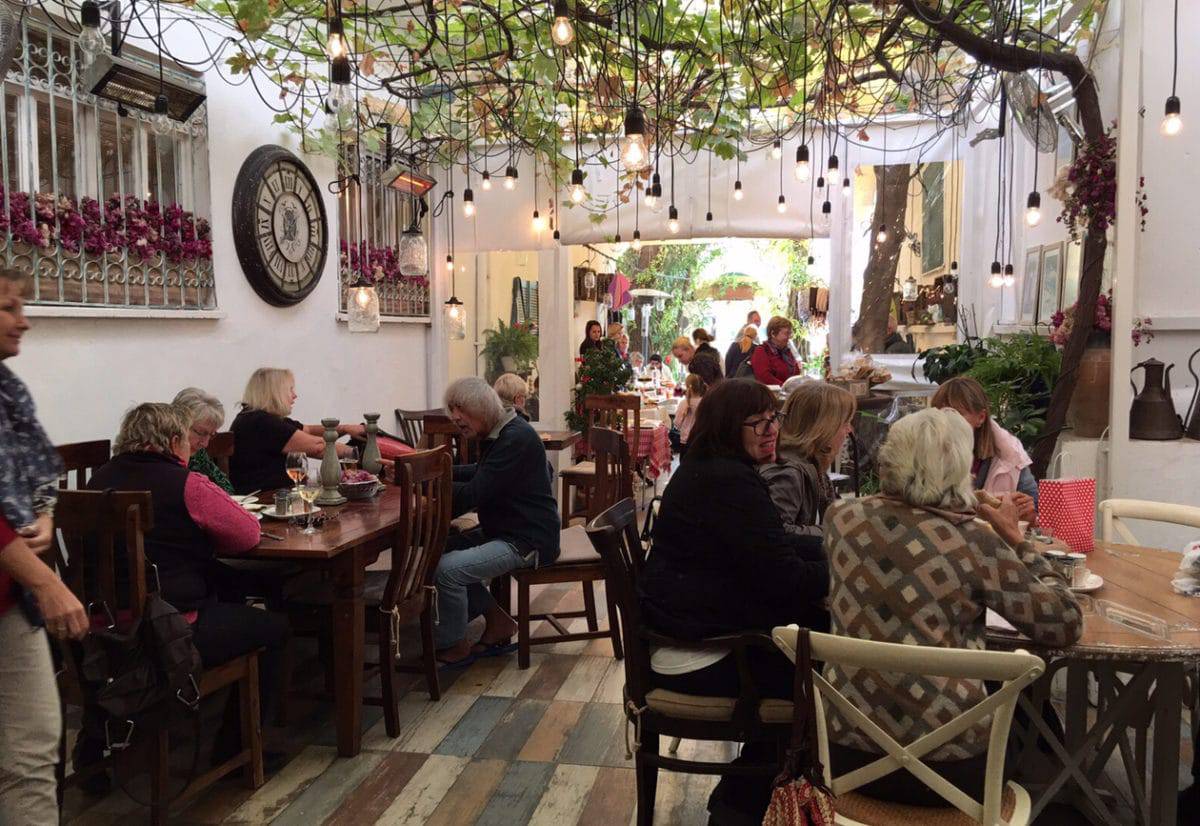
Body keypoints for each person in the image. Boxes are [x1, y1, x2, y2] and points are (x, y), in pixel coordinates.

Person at [822, 408, 1082, 807]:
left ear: (889, 458)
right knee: (1030, 720)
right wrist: (1016, 539)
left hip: (844, 754)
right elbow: (1064, 623)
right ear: (961, 470)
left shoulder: (841, 519)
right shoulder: (975, 543)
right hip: (951, 770)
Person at [640, 379, 829, 823]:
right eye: (757, 423)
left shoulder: (710, 468)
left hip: (691, 630)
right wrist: (845, 573)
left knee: (816, 646)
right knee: (829, 680)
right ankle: (741, 804)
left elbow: (767, 544)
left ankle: (739, 798)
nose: (771, 430)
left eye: (773, 419)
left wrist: (828, 552)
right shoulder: (730, 483)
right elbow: (784, 578)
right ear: (728, 427)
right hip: (699, 654)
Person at [88, 403, 291, 766]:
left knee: (228, 585)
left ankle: (95, 742)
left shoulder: (96, 482)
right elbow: (247, 535)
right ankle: (234, 749)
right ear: (172, 441)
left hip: (103, 627)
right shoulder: (186, 484)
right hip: (169, 631)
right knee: (274, 627)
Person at [0, 266, 88, 825]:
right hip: (24, 584)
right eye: (8, 307)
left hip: (11, 597)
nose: (24, 321)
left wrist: (46, 514)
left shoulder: (9, 391)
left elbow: (39, 475)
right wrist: (48, 583)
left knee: (32, 749)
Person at [437, 378, 560, 665]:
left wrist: (425, 485)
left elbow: (473, 494)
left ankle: (454, 644)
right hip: (506, 530)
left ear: (482, 406)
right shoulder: (504, 431)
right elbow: (481, 472)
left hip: (527, 540)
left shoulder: (514, 438)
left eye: (460, 408)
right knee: (434, 554)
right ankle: (498, 621)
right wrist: (434, 470)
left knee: (446, 569)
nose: (455, 417)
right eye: (452, 409)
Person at [229, 367, 362, 494]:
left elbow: (308, 430)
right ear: (275, 392)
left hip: (277, 495)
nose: (295, 395)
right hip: (266, 499)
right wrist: (357, 452)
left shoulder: (255, 417)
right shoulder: (261, 422)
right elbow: (318, 447)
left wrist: (345, 428)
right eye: (290, 389)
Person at [932, 376, 1038, 522]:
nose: (947, 421)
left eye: (958, 414)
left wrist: (1028, 513)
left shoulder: (1011, 456)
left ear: (981, 417)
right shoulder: (921, 456)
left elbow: (1034, 514)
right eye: (940, 413)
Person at [761, 382, 856, 537]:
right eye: (845, 423)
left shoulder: (811, 463)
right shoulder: (788, 473)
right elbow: (776, 532)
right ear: (824, 428)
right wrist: (831, 532)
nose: (849, 430)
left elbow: (835, 514)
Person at [174, 387, 234, 494]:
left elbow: (226, 489)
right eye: (201, 433)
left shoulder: (198, 454)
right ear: (179, 423)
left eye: (211, 434)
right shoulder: (161, 456)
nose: (205, 444)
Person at [750, 316, 800, 385]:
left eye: (790, 333)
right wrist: (785, 388)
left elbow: (796, 373)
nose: (789, 337)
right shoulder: (761, 351)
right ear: (773, 334)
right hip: (773, 391)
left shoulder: (787, 352)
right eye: (786, 333)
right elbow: (764, 377)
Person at [672, 373, 706, 456]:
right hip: (703, 439)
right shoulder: (706, 401)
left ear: (687, 387)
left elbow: (677, 423)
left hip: (686, 440)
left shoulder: (684, 403)